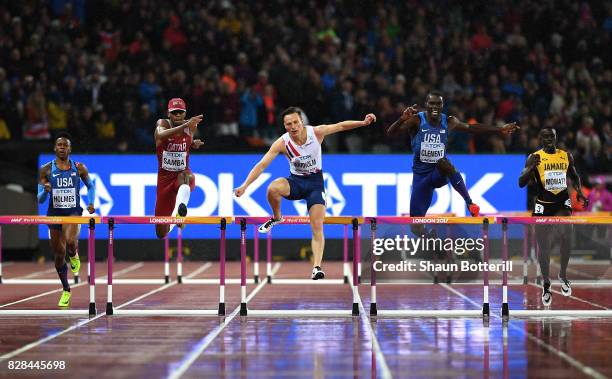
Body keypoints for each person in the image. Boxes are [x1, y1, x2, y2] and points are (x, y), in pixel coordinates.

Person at [234, 107, 377, 279]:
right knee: (272, 188)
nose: (293, 126)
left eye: (296, 122)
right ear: (284, 126)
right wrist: (245, 186)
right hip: (295, 182)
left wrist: (363, 122)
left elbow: (340, 126)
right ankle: (277, 217)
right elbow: (262, 165)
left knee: (317, 225)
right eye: (289, 124)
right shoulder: (282, 142)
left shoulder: (316, 133)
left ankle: (316, 267)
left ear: (302, 122)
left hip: (315, 185)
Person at [386, 91, 519, 218]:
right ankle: (429, 236)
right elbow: (390, 134)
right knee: (416, 226)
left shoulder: (449, 122)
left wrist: (500, 129)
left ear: (442, 106)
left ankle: (469, 203)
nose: (435, 107)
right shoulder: (417, 120)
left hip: (438, 173)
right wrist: (401, 119)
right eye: (431, 103)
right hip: (421, 178)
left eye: (438, 104)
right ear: (426, 105)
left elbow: (472, 128)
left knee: (444, 162)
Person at [519, 127, 588, 306]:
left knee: (567, 234)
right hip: (543, 204)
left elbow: (574, 175)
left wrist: (579, 191)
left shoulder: (566, 156)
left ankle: (563, 275)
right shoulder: (534, 157)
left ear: (556, 138)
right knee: (544, 247)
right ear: (540, 139)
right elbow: (521, 183)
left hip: (562, 202)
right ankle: (546, 284)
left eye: (552, 136)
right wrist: (531, 168)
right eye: (545, 137)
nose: (549, 139)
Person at [38, 133, 96, 307]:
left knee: (70, 241)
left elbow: (90, 186)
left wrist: (91, 202)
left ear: (70, 149)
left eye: (65, 145)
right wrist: (45, 190)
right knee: (58, 255)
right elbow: (39, 199)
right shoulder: (46, 169)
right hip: (54, 213)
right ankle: (66, 289)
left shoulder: (79, 168)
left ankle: (74, 253)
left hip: (73, 212)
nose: (62, 147)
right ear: (55, 148)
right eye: (59, 145)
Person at [154, 98, 204, 238]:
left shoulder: (191, 126)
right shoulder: (162, 123)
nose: (177, 115)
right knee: (160, 233)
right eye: (174, 112)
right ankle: (171, 223)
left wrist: (192, 144)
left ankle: (180, 212)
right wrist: (185, 125)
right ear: (168, 113)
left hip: (181, 174)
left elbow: (184, 142)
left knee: (186, 176)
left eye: (180, 112)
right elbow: (160, 135)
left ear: (184, 113)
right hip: (164, 179)